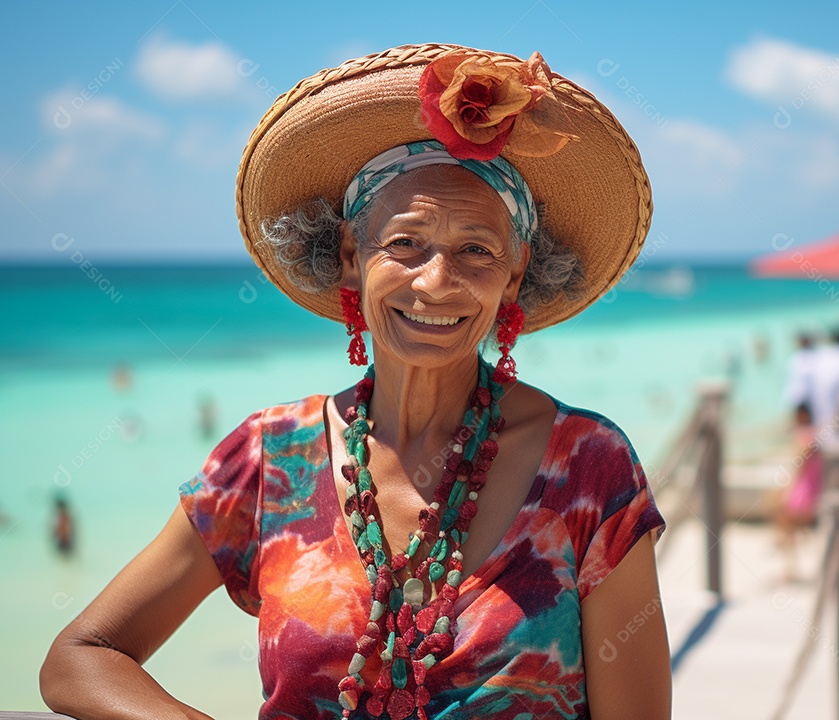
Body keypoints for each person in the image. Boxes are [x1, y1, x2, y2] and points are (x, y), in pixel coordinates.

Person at [40, 44, 670, 720]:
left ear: (512, 278)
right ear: (350, 257)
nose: (435, 280)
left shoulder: (589, 466)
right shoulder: (268, 460)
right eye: (404, 243)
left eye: (476, 251)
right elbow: (82, 656)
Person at [772, 402, 823, 581]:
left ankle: (790, 568)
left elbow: (797, 468)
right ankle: (792, 566)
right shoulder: (817, 435)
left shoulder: (804, 437)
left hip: (804, 496)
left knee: (784, 523)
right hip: (814, 493)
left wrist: (786, 491)